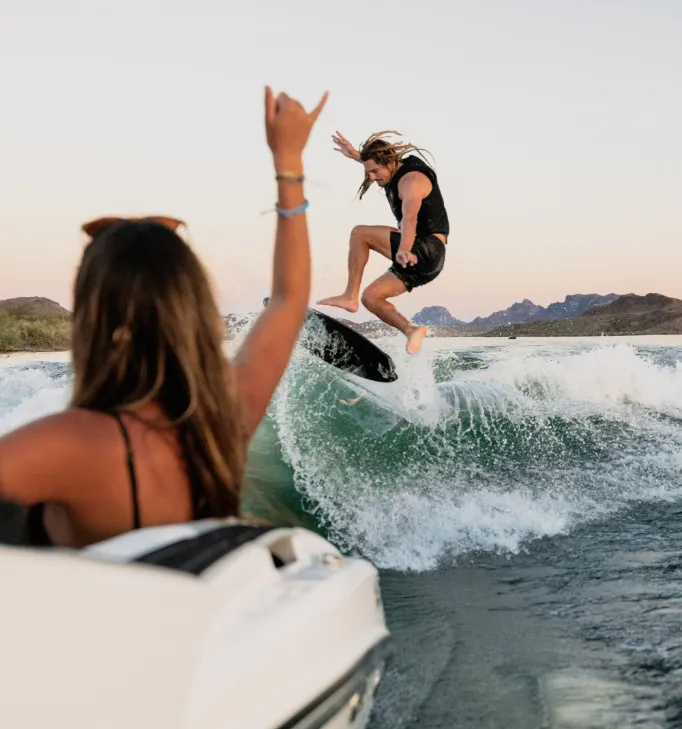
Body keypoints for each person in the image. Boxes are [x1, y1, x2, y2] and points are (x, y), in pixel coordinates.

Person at [0, 86, 327, 549]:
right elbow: (289, 299)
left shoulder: (68, 444)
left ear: (95, 322)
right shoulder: (221, 424)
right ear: (191, 310)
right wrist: (289, 161)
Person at [317, 131, 450, 355]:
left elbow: (409, 218)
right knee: (371, 298)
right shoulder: (393, 166)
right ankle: (411, 330)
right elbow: (377, 164)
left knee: (360, 234)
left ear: (389, 162)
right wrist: (355, 155)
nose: (371, 177)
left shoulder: (411, 180)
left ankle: (349, 296)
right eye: (368, 172)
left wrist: (405, 249)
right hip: (428, 261)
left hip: (425, 251)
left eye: (374, 172)